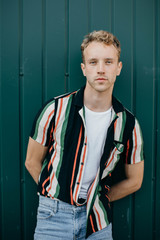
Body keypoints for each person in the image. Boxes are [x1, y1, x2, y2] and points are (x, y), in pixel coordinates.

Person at [25, 30, 144, 240]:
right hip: (53, 218)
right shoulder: (55, 110)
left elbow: (135, 181)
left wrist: (98, 199)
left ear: (119, 68)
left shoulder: (129, 124)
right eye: (93, 62)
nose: (100, 69)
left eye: (108, 62)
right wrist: (55, 194)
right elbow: (32, 161)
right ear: (83, 68)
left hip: (97, 221)